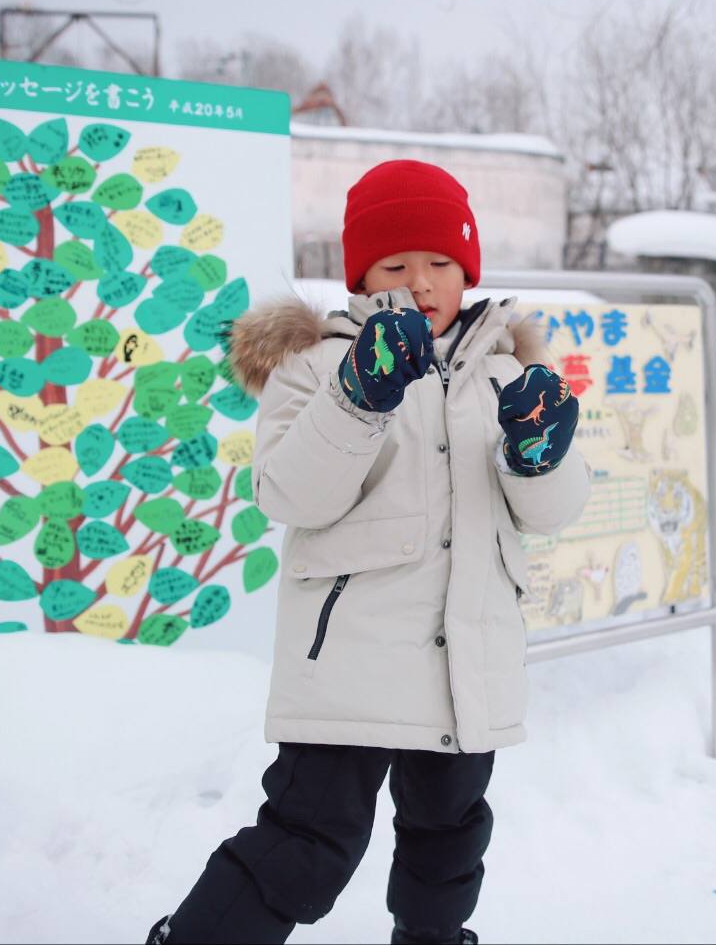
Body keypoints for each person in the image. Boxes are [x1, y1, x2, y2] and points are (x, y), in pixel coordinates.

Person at [149, 159, 591, 945]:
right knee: (306, 844)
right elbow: (289, 493)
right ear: (360, 277)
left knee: (448, 844)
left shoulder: (509, 378)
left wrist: (542, 454)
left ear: (468, 271)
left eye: (441, 263)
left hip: (467, 667)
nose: (421, 281)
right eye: (396, 264)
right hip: (348, 664)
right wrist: (360, 396)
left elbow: (549, 514)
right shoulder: (318, 365)